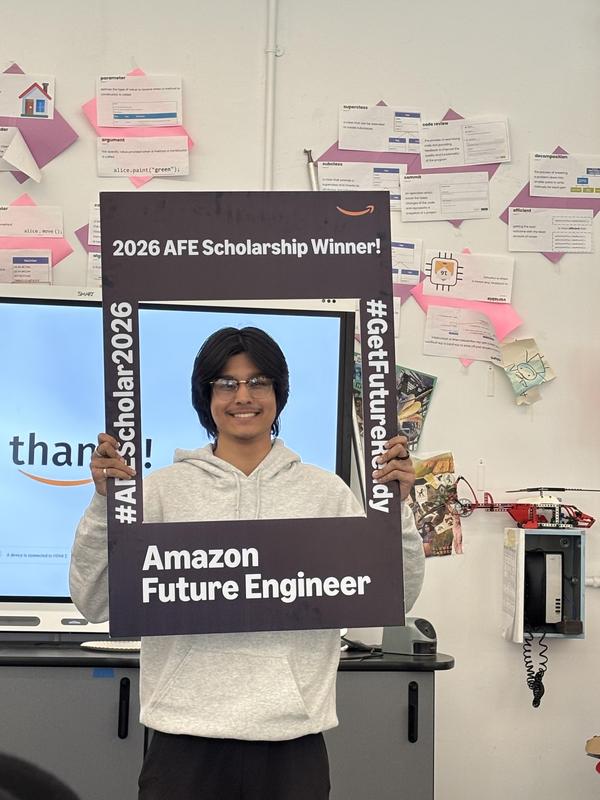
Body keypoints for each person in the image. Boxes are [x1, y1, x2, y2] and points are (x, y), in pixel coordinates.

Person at [70, 326, 424, 800]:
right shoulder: (159, 492)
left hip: (291, 742)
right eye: (226, 383)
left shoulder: (325, 494)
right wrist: (102, 503)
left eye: (258, 382)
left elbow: (394, 594)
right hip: (183, 740)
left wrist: (395, 512)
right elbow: (93, 601)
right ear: (206, 395)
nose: (243, 396)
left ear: (279, 393)